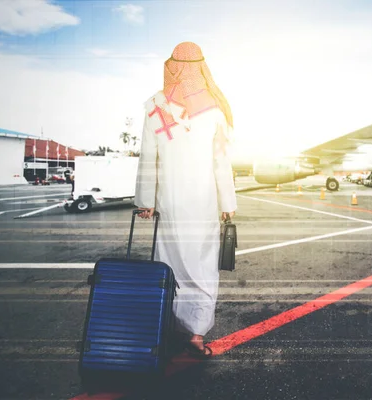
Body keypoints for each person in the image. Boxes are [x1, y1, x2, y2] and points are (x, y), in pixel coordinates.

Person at [134, 42, 237, 358]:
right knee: (202, 265)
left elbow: (148, 157)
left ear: (172, 66)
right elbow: (221, 161)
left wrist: (145, 200)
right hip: (203, 201)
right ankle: (194, 333)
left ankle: (165, 326)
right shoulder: (215, 110)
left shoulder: (154, 106)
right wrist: (227, 203)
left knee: (168, 261)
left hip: (169, 200)